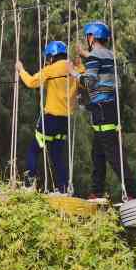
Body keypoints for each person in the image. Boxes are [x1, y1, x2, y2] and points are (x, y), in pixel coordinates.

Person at [68, 21, 136, 202]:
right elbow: (99, 65)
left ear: (91, 37)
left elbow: (90, 82)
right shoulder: (110, 55)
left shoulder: (94, 57)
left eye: (88, 37)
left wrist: (73, 73)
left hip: (101, 108)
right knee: (98, 152)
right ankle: (97, 191)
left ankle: (134, 192)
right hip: (111, 107)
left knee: (113, 153)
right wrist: (85, 55)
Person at [17, 40, 82, 194]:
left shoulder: (50, 69)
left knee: (34, 149)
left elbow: (32, 82)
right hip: (64, 121)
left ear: (52, 56)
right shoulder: (75, 69)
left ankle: (29, 183)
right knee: (58, 156)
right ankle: (63, 188)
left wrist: (21, 70)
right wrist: (80, 61)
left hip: (50, 119)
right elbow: (84, 77)